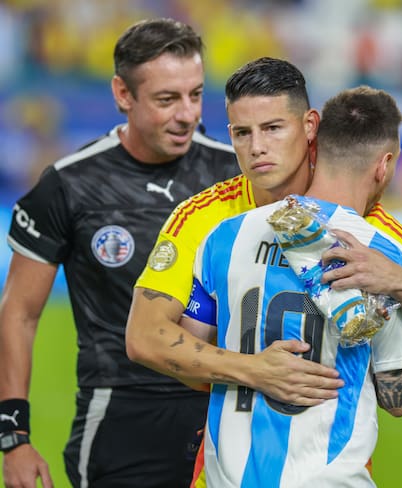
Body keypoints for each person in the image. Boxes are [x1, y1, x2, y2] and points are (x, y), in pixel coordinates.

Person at [126, 57, 402, 406]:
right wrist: (254, 370)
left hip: (335, 455)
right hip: (225, 449)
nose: (257, 147)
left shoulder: (369, 227)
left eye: (273, 128)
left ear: (310, 126)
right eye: (242, 133)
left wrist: (399, 283)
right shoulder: (203, 217)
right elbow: (144, 336)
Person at [0, 18, 241, 488]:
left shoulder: (234, 174)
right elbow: (20, 314)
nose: (187, 114)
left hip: (225, 406)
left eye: (195, 94)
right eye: (167, 99)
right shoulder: (68, 185)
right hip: (121, 414)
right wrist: (14, 438)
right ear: (123, 94)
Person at [184, 85, 402, 488]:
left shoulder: (224, 235)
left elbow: (191, 359)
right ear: (383, 166)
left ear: (316, 146)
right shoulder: (387, 255)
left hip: (231, 476)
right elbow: (400, 396)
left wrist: (250, 369)